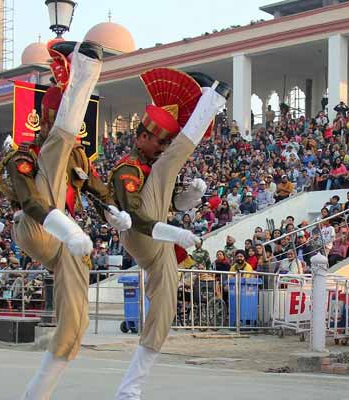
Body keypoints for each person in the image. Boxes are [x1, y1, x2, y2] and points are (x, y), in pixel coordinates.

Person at [5, 41, 130, 400]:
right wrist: (70, 229)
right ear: (45, 119)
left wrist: (114, 212)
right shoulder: (24, 158)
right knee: (55, 152)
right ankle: (85, 72)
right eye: (61, 121)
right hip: (37, 228)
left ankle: (38, 393)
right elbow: (30, 203)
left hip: (68, 244)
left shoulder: (75, 153)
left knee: (76, 322)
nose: (74, 134)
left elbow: (96, 189)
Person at [110, 68, 229, 400]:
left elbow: (171, 203)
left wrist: (188, 198)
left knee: (165, 309)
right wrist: (174, 232)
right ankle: (211, 100)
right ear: (141, 136)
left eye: (166, 142)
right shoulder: (128, 169)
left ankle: (129, 390)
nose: (162, 147)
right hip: (140, 233)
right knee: (168, 165)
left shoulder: (155, 166)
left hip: (160, 241)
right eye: (159, 141)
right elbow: (135, 215)